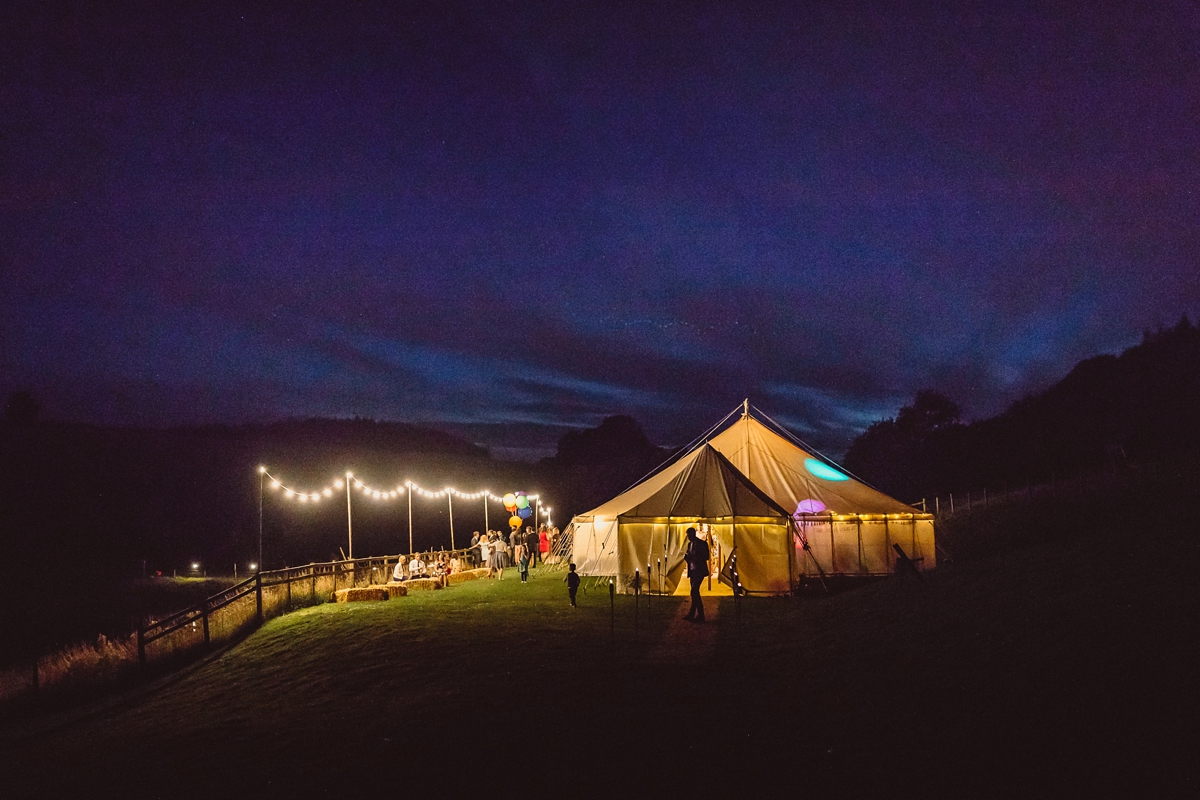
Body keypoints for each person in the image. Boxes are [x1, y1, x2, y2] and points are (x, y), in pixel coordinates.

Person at [683, 527, 710, 623]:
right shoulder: (689, 544)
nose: (688, 537)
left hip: (699, 570)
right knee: (694, 592)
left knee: (694, 591)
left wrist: (695, 557)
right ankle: (693, 614)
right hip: (692, 570)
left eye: (689, 535)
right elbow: (689, 556)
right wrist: (687, 558)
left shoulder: (702, 544)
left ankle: (700, 615)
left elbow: (707, 556)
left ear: (693, 534)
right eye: (687, 536)